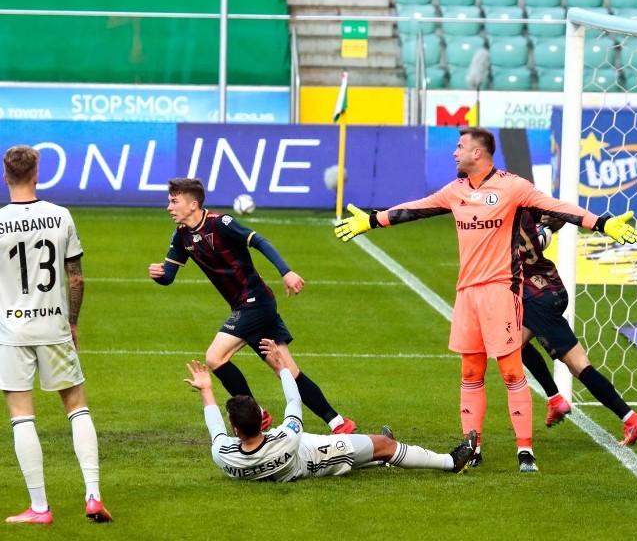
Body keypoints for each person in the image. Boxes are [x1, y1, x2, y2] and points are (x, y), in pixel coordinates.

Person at [334, 127, 637, 472]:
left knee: (511, 371)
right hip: (467, 294)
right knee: (470, 371)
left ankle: (525, 452)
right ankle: (473, 445)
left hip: (502, 291)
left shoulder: (512, 186)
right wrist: (373, 220)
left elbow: (560, 209)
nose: (454, 152)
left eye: (460, 146)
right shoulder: (456, 191)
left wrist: (602, 224)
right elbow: (415, 209)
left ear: (478, 153)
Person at [149, 178, 355, 434]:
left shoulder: (220, 223)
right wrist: (158, 273)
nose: (169, 206)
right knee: (286, 370)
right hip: (250, 305)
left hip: (254, 302)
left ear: (192, 205)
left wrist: (286, 272)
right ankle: (339, 423)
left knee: (215, 357)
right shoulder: (181, 236)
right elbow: (168, 276)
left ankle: (256, 414)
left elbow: (260, 241)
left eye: (174, 201)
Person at [0, 145, 112, 524]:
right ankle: (93, 496)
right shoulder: (60, 216)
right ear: (37, 175)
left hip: (12, 331)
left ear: (5, 176)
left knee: (21, 416)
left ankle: (39, 508)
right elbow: (75, 276)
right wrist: (73, 321)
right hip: (54, 326)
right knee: (77, 407)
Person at [183, 339, 477, 481]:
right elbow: (294, 404)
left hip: (289, 457)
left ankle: (376, 459)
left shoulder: (224, 454)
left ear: (236, 430)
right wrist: (281, 367)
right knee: (385, 444)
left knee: (372, 448)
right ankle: (451, 462)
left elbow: (215, 429)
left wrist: (206, 388)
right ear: (262, 423)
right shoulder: (286, 436)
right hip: (310, 456)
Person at [517, 210, 637, 446]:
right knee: (514, 342)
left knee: (578, 366)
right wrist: (551, 224)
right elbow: (551, 225)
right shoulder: (531, 223)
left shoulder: (499, 234)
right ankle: (555, 399)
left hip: (537, 300)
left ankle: (630, 419)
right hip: (553, 286)